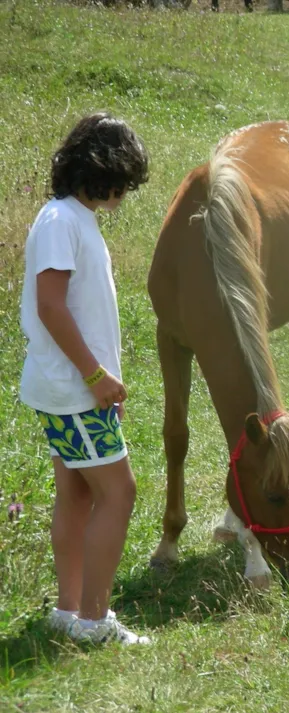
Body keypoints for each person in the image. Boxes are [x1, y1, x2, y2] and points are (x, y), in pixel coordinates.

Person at [20, 113, 151, 645]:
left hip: (71, 387)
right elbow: (51, 307)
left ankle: (68, 611)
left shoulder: (75, 219)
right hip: (75, 390)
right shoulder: (60, 222)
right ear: (99, 170)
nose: (124, 192)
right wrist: (96, 377)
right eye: (122, 179)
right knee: (119, 495)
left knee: (75, 493)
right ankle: (96, 621)